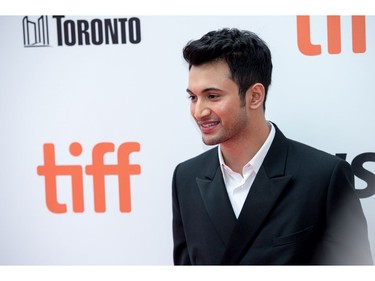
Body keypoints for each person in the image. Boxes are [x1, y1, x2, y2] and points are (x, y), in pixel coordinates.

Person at [171, 28, 373, 265]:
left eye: (213, 96)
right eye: (193, 97)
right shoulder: (185, 177)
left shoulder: (323, 177)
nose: (198, 111)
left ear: (255, 96)